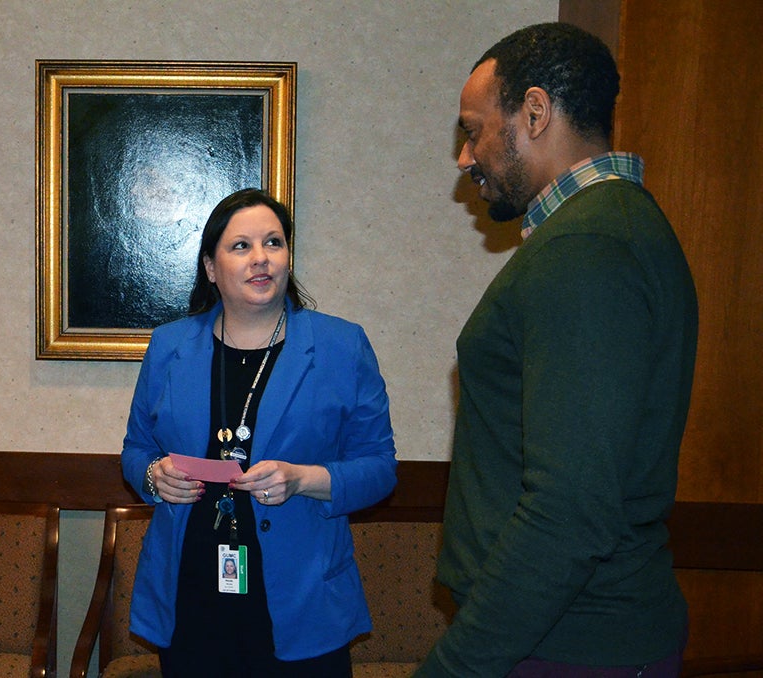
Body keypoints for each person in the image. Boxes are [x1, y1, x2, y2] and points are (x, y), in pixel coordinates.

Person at [415, 23, 698, 677]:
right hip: (559, 638)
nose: (465, 157)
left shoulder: (587, 249)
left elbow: (569, 509)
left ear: (535, 113)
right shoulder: (609, 230)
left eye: (474, 128)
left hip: (564, 646)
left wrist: (455, 666)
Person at [121, 188, 398, 677]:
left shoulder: (341, 346)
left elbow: (378, 469)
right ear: (211, 267)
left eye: (273, 242)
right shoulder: (168, 346)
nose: (260, 259)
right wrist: (152, 476)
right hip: (192, 594)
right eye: (240, 246)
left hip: (303, 600)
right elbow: (136, 449)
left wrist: (303, 479)